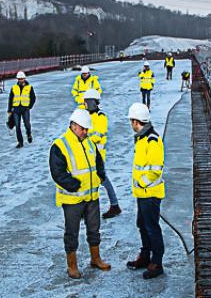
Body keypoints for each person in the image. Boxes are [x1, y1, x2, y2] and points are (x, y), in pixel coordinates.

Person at [48, 108, 112, 279]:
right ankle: (72, 265)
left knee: (94, 229)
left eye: (87, 129)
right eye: (83, 129)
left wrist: (100, 177)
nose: (85, 132)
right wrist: (74, 185)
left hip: (92, 196)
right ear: (73, 126)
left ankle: (95, 258)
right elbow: (58, 173)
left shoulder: (89, 142)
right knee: (72, 232)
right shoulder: (60, 145)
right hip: (73, 199)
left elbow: (99, 162)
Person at [125, 103, 166, 279]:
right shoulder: (142, 139)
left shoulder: (152, 141)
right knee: (142, 225)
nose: (130, 124)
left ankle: (157, 262)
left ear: (136, 121)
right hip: (142, 194)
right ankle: (145, 256)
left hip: (150, 194)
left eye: (131, 121)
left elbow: (156, 169)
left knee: (152, 228)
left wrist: (141, 183)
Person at [83, 88, 121, 219]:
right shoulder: (86, 116)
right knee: (94, 181)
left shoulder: (101, 117)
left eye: (87, 102)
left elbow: (98, 135)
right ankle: (112, 206)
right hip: (88, 155)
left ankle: (114, 206)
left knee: (100, 180)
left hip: (97, 156)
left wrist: (83, 140)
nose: (85, 104)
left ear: (93, 102)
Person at [8, 71, 36, 148]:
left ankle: (29, 134)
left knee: (27, 124)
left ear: (24, 78)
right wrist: (9, 110)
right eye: (19, 79)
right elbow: (10, 99)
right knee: (17, 126)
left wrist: (29, 106)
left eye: (22, 79)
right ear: (17, 79)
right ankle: (20, 142)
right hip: (16, 109)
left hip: (25, 109)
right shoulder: (14, 88)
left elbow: (33, 98)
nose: (20, 80)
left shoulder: (29, 87)